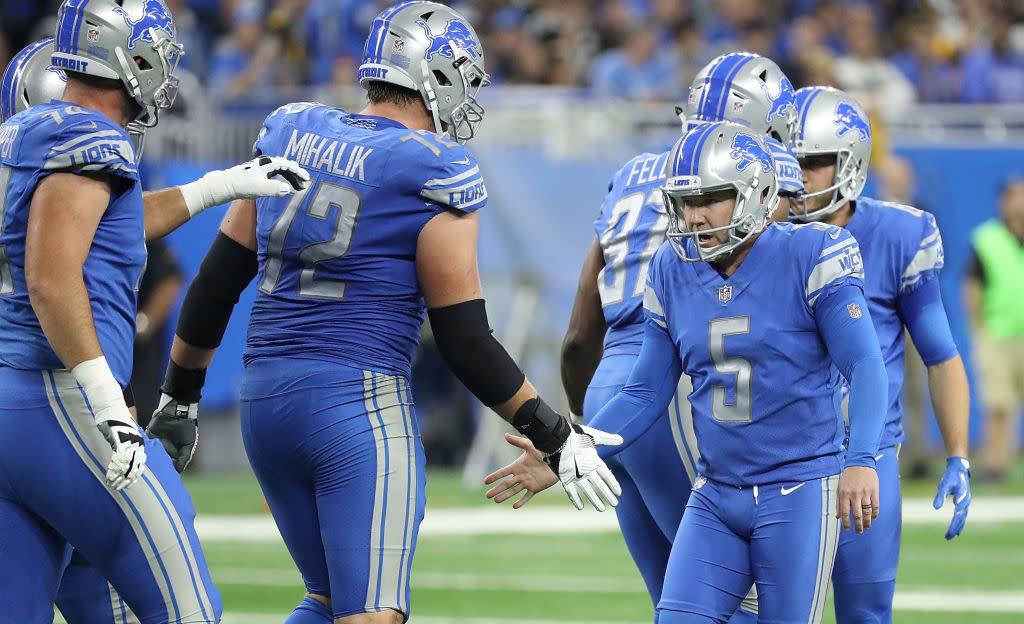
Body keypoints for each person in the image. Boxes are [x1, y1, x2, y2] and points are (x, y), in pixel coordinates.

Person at [144, 3, 623, 623]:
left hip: (267, 399)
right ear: (436, 78)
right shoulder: (433, 167)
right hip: (354, 405)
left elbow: (216, 282)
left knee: (329, 601)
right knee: (372, 614)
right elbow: (464, 339)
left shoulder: (294, 129)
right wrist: (554, 434)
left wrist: (179, 395)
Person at [486, 120, 888, 623]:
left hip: (799, 489)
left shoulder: (813, 253)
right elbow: (644, 390)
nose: (694, 217)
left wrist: (862, 458)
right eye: (685, 201)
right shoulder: (671, 267)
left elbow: (866, 365)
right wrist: (569, 446)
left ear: (755, 193)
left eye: (709, 199)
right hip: (716, 492)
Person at [0, 17, 308, 624]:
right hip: (60, 401)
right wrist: (107, 401)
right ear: (123, 55)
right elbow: (50, 276)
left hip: (12, 403)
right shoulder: (89, 137)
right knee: (187, 608)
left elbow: (101, 229)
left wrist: (221, 185)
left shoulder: (23, 138)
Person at [543, 52, 800, 622]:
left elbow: (581, 333)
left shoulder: (633, 173)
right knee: (745, 600)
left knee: (678, 604)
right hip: (682, 383)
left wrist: (594, 424)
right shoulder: (749, 187)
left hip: (614, 383)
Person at [789, 85, 971, 623]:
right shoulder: (757, 236)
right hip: (775, 459)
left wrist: (958, 453)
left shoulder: (898, 233)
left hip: (863, 457)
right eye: (787, 160)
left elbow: (939, 354)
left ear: (848, 164)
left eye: (812, 162)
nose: (796, 176)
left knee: (865, 615)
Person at [964, 175, 1024, 483]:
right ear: (1003, 202)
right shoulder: (987, 240)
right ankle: (995, 464)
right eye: (1015, 197)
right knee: (999, 404)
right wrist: (980, 328)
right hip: (998, 334)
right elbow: (972, 285)